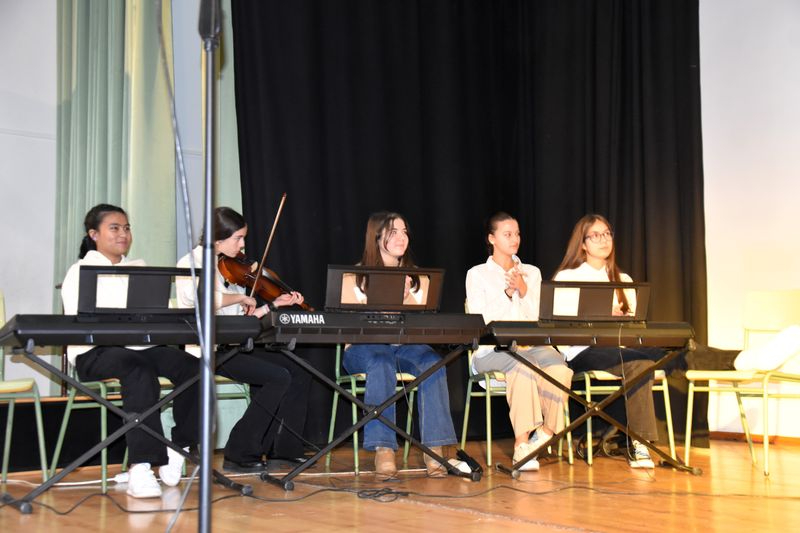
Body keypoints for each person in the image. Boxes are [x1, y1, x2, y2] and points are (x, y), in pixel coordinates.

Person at [60, 204, 199, 498]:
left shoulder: (140, 267)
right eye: (114, 228)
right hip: (94, 352)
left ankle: (179, 448)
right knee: (138, 369)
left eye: (126, 228)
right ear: (94, 234)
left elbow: (155, 314)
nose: (123, 234)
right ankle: (141, 466)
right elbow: (78, 322)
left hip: (139, 347)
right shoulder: (80, 271)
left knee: (194, 366)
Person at [176, 207, 312, 473]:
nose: (242, 245)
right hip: (207, 350)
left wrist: (273, 304)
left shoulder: (228, 268)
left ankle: (283, 450)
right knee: (277, 377)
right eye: (238, 238)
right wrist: (239, 297)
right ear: (218, 239)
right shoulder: (190, 262)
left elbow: (243, 319)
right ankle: (239, 452)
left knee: (300, 371)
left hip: (234, 345)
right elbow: (201, 299)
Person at [342, 211, 458, 478]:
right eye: (393, 232)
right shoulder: (354, 277)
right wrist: (388, 300)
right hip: (363, 348)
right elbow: (350, 325)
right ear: (377, 236)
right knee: (381, 361)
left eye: (404, 231)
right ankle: (383, 448)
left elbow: (424, 327)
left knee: (432, 362)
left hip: (404, 345)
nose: (401, 237)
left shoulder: (417, 279)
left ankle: (434, 448)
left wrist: (407, 301)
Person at [553, 213, 666, 469]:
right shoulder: (567, 278)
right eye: (595, 235)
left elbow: (634, 327)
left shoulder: (623, 280)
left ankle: (729, 359)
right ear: (582, 244)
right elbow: (560, 326)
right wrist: (602, 316)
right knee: (640, 364)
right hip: (584, 351)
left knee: (674, 352)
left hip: (620, 349)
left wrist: (622, 322)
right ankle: (639, 443)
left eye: (607, 234)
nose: (604, 240)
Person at [465, 212, 573, 471]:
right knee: (522, 365)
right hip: (493, 350)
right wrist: (507, 292)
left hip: (532, 345)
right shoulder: (477, 274)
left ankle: (545, 434)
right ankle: (521, 445)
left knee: (560, 368)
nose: (514, 239)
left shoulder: (532, 273)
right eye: (507, 234)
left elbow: (541, 317)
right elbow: (480, 320)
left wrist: (524, 290)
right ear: (492, 238)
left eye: (517, 234)